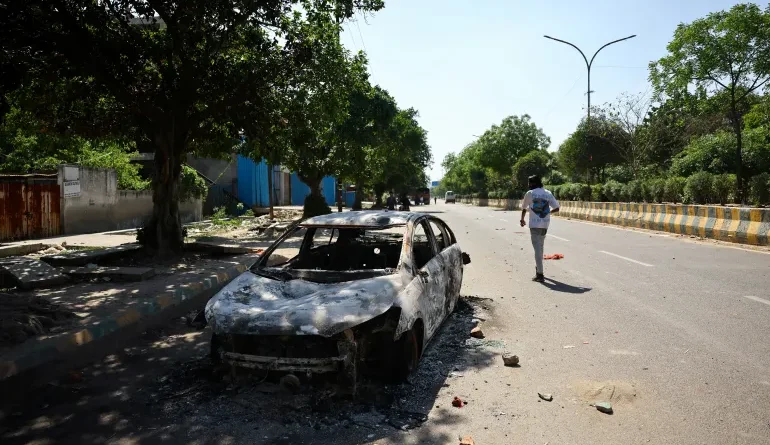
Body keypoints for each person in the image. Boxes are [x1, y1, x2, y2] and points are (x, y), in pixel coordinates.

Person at [520, 175, 560, 282]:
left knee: (537, 249)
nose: (528, 185)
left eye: (529, 183)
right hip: (545, 224)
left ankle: (540, 274)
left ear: (533, 183)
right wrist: (548, 213)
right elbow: (557, 208)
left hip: (535, 225)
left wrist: (522, 219)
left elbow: (524, 208)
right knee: (541, 247)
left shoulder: (530, 193)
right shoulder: (548, 193)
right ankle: (539, 269)